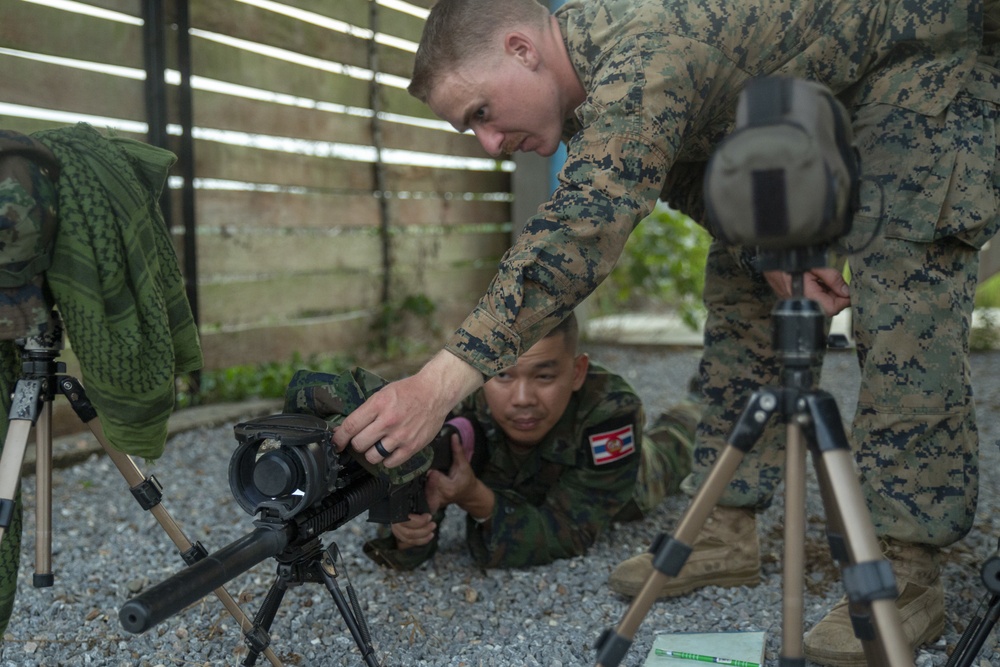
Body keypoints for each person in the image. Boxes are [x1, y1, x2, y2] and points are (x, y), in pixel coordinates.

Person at [330, 1, 998, 664]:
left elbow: (587, 225)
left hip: (924, 51)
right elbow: (698, 175)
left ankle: (905, 564)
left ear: (522, 49)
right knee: (743, 275)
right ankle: (727, 525)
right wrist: (772, 247)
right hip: (809, 93)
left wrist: (437, 385)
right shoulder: (598, 91)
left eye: (480, 113)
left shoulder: (641, 49)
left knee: (903, 287)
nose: (489, 142)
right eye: (469, 131)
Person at [362, 312, 699, 570]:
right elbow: (405, 537)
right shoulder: (459, 404)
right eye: (503, 375)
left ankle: (699, 406)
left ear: (577, 372)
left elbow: (571, 532)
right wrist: (410, 530)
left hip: (631, 485)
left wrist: (475, 498)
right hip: (515, 493)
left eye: (544, 376)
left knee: (680, 441)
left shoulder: (608, 410)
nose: (522, 398)